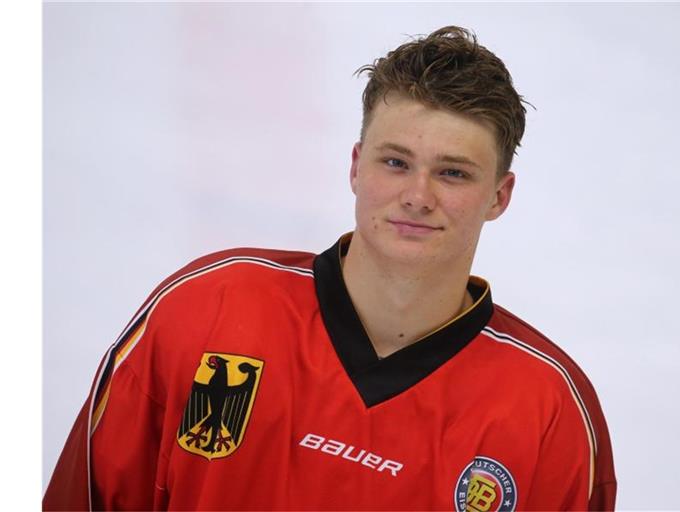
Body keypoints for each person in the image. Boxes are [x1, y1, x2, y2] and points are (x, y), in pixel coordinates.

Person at [44, 26, 616, 511]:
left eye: (453, 173)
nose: (417, 196)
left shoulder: (549, 408)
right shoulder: (207, 308)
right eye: (396, 162)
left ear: (499, 195)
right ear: (355, 166)